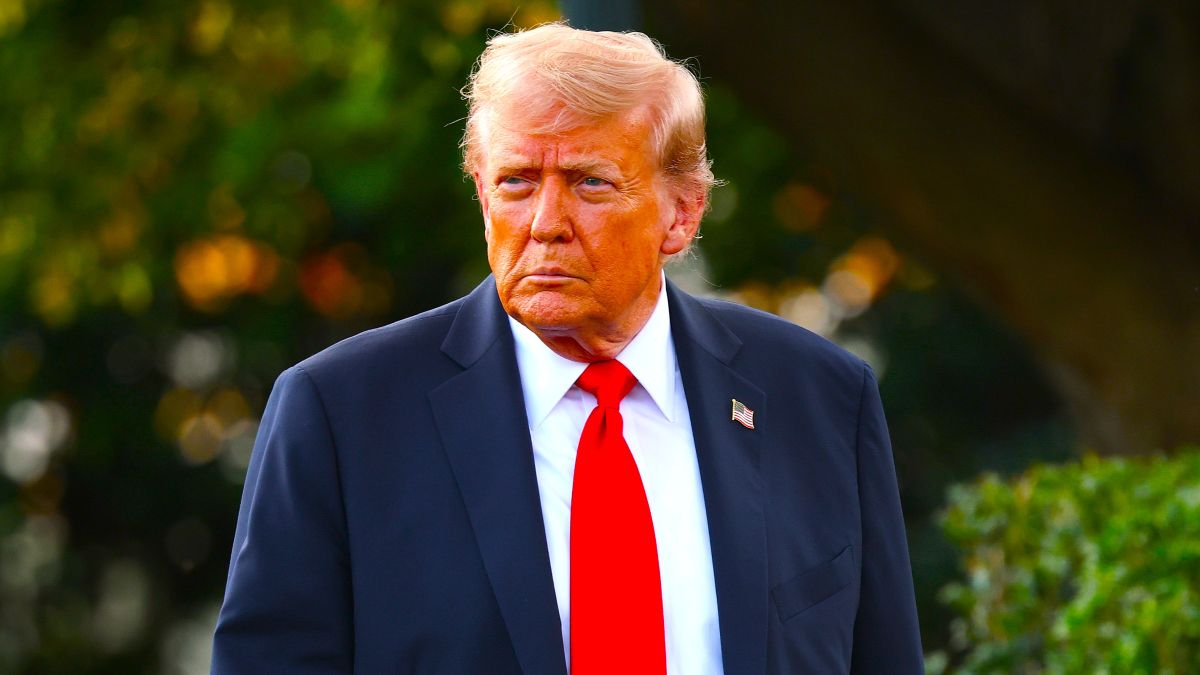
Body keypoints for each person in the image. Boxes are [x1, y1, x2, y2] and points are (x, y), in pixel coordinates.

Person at [211, 22, 923, 675]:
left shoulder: (820, 397)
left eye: (590, 183)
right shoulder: (343, 413)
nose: (546, 223)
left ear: (682, 213)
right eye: (516, 182)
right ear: (482, 194)